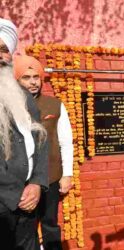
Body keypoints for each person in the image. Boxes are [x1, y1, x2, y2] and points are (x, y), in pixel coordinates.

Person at [13, 55, 74, 250]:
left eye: (36, 77)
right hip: (21, 182)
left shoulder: (54, 105)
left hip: (51, 177)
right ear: (16, 80)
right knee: (24, 229)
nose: (32, 82)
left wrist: (67, 174)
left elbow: (66, 141)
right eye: (26, 77)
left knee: (50, 225)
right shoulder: (8, 106)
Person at [0, 18, 48, 250]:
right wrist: (14, 193)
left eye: (3, 50)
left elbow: (41, 141)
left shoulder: (23, 95)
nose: (0, 56)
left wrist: (37, 183)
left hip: (28, 202)